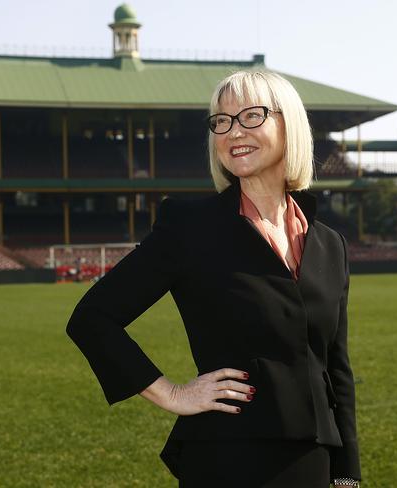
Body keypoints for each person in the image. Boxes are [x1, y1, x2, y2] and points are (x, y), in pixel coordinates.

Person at [66, 70, 361, 488]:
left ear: (289, 124)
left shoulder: (330, 245)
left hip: (314, 461)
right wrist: (172, 394)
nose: (232, 131)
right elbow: (92, 318)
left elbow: (336, 369)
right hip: (227, 458)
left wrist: (347, 474)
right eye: (221, 121)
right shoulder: (190, 228)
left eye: (250, 116)